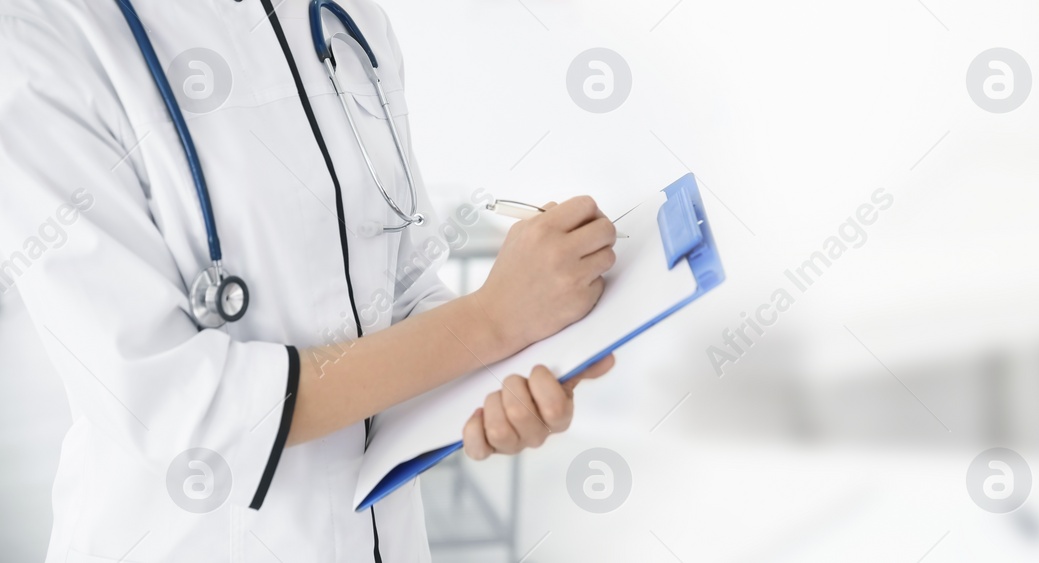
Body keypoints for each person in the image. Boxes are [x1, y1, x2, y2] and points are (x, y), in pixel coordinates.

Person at [0, 1, 616, 560]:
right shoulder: (40, 42)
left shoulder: (345, 19)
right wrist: (491, 323)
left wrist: (512, 365)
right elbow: (174, 405)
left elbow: (396, 297)